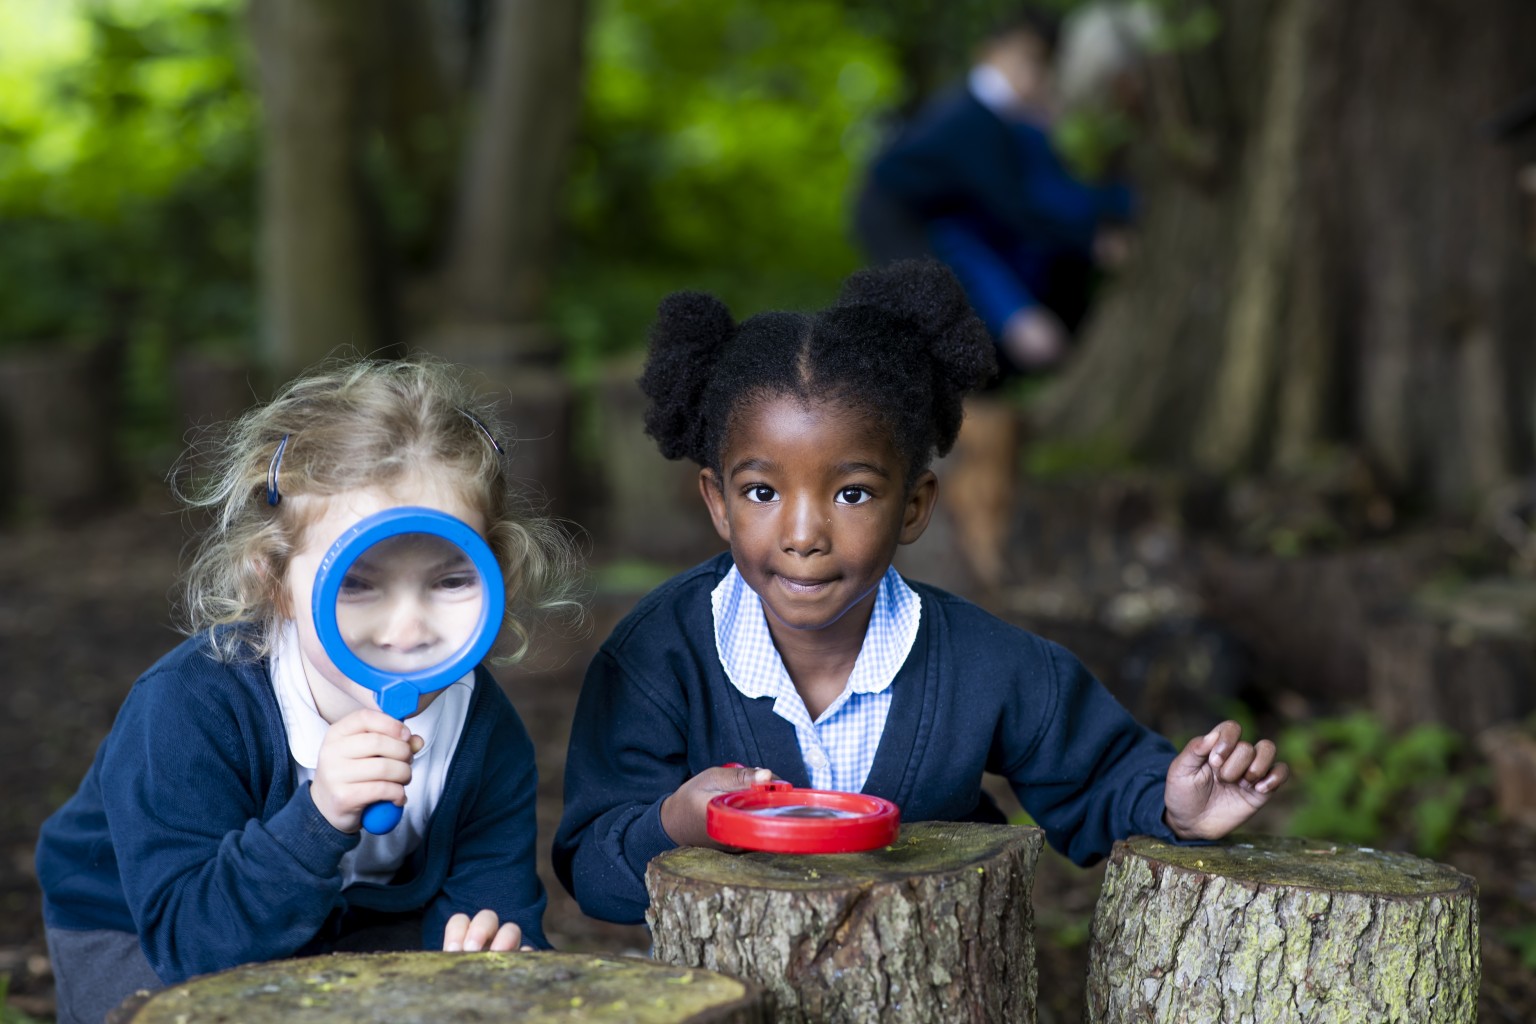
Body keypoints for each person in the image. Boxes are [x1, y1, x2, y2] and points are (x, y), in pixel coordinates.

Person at [552, 260, 1289, 926]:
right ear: (717, 502)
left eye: (850, 493)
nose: (803, 533)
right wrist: (679, 822)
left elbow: (1098, 775)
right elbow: (595, 869)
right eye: (762, 490)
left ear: (914, 505)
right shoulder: (655, 658)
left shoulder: (984, 663)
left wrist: (1174, 805)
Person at [36, 358, 580, 1023]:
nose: (406, 628)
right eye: (357, 583)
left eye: (448, 581)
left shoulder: (484, 729)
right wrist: (318, 817)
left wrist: (485, 952)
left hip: (356, 926)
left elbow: (496, 908)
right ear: (275, 582)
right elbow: (194, 945)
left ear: (500, 577)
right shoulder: (190, 707)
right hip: (149, 930)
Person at [854, 11, 1137, 375]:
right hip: (894, 211)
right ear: (992, 53)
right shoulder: (974, 117)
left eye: (1039, 63)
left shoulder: (1001, 117)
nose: (1031, 73)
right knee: (935, 307)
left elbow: (1036, 194)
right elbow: (1015, 206)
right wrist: (1091, 239)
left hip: (942, 211)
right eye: (1025, 59)